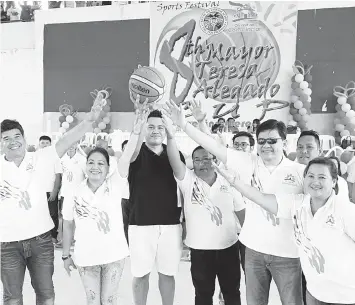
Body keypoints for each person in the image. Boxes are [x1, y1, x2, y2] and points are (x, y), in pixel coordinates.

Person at [164, 100, 305, 305]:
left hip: (287, 254)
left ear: (284, 142)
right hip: (254, 253)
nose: (266, 145)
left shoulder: (300, 173)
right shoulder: (248, 163)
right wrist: (185, 126)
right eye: (262, 141)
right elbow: (214, 148)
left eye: (272, 141)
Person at [0, 102, 104, 305]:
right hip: (7, 245)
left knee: (46, 295)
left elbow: (66, 141)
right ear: (0, 143)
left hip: (41, 242)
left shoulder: (40, 158)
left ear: (24, 138)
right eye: (6, 139)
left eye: (17, 137)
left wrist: (90, 119)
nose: (13, 142)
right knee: (12, 298)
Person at [215, 157, 355, 305]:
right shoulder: (298, 204)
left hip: (345, 296)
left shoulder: (345, 210)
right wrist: (234, 181)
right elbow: (261, 198)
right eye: (311, 176)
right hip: (315, 293)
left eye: (322, 177)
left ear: (334, 182)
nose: (315, 181)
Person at [61, 109, 147, 305]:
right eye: (91, 162)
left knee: (108, 301)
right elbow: (67, 223)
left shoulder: (115, 185)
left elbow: (126, 158)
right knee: (93, 301)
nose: (95, 166)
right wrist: (66, 255)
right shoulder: (75, 191)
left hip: (114, 255)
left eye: (101, 163)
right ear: (86, 166)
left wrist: (136, 131)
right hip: (85, 257)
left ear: (108, 169)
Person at [164, 113, 245, 305]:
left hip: (229, 247)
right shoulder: (187, 180)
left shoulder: (228, 179)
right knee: (203, 295)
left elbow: (241, 211)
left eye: (207, 158)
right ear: (192, 163)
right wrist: (170, 136)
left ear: (214, 160)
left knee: (232, 293)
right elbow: (175, 161)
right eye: (197, 159)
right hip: (200, 250)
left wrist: (201, 123)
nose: (203, 163)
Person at [127, 94, 185, 305]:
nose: (155, 131)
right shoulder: (135, 152)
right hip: (140, 223)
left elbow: (181, 178)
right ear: (144, 129)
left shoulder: (175, 154)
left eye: (160, 127)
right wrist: (137, 125)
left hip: (170, 224)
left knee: (167, 274)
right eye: (150, 126)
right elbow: (130, 155)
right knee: (140, 274)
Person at [58, 142, 86, 247]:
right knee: (66, 218)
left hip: (79, 194)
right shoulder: (62, 160)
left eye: (73, 144)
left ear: (76, 145)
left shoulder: (82, 160)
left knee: (78, 218)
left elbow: (87, 176)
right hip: (66, 193)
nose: (70, 147)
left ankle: (77, 240)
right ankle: (65, 240)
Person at [38, 135, 63, 244]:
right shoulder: (34, 156)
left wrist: (54, 191)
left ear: (50, 145)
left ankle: (53, 236)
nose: (44, 145)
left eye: (46, 143)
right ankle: (39, 236)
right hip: (38, 192)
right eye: (42, 143)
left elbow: (58, 176)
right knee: (39, 214)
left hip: (50, 191)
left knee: (53, 214)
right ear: (39, 144)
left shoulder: (55, 158)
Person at [120, 139, 130, 243]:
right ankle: (126, 245)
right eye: (125, 148)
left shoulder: (138, 162)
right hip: (124, 197)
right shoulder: (120, 163)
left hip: (136, 198)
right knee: (125, 223)